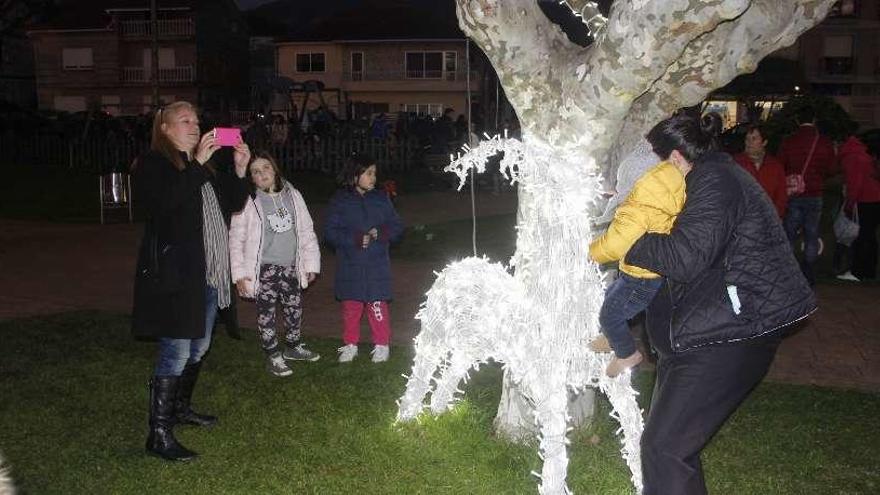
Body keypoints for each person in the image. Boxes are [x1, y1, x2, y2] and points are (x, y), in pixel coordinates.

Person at [624, 112, 816, 495]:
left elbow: (684, 257)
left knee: (666, 448)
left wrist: (624, 236)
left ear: (676, 159)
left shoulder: (715, 180)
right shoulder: (703, 180)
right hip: (707, 332)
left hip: (730, 335)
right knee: (670, 446)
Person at [132, 101, 252, 461]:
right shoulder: (153, 164)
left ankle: (180, 409)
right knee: (177, 350)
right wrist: (197, 165)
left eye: (197, 120)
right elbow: (164, 206)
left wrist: (240, 169)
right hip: (177, 276)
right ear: (164, 129)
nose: (194, 125)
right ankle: (159, 433)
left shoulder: (203, 167)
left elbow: (230, 204)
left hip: (210, 272)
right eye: (184, 120)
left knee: (198, 347)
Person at [589, 152, 686, 377]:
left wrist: (588, 253)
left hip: (641, 278)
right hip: (639, 272)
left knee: (611, 314)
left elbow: (614, 245)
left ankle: (627, 354)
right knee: (609, 300)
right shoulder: (661, 202)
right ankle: (612, 336)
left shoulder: (639, 209)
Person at [229, 151, 322, 377]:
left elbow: (306, 230)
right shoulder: (248, 201)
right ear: (251, 178)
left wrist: (310, 264)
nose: (262, 174)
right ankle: (273, 354)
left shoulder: (293, 195)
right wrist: (239, 274)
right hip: (264, 270)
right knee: (266, 314)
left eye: (266, 168)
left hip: (290, 266)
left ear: (275, 169)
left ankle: (292, 347)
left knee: (294, 309)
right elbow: (236, 237)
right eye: (255, 172)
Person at [323, 154, 404, 363]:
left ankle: (382, 344)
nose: (373, 177)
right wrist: (354, 239)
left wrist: (383, 233)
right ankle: (350, 344)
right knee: (351, 307)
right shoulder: (340, 201)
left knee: (377, 305)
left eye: (374, 173)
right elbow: (330, 233)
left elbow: (397, 226)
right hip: (351, 265)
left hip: (377, 264)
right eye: (368, 173)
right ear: (354, 174)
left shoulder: (381, 198)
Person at [778, 106, 837, 284]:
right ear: (814, 120)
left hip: (795, 193)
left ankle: (788, 272)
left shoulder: (789, 141)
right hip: (815, 193)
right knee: (812, 233)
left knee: (789, 233)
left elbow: (781, 164)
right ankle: (809, 272)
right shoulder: (824, 142)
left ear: (797, 120)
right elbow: (832, 168)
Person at [839, 135, 880, 281]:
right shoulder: (864, 155)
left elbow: (854, 183)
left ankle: (858, 271)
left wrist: (849, 204)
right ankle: (869, 271)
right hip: (875, 199)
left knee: (861, 237)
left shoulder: (852, 157)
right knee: (869, 237)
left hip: (865, 200)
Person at [734, 124, 787, 218]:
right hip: (741, 221)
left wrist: (776, 217)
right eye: (747, 139)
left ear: (764, 142)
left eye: (754, 138)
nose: (749, 142)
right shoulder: (735, 163)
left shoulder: (775, 166)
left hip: (767, 221)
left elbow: (781, 196)